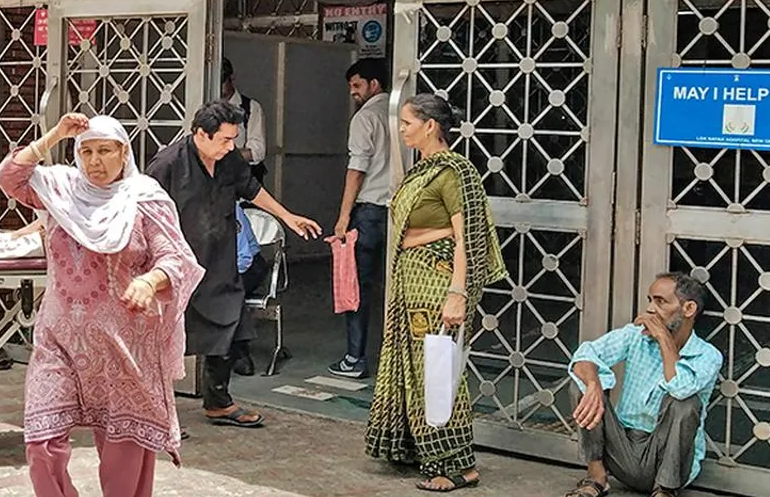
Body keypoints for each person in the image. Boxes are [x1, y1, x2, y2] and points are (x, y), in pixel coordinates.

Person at [0, 113, 205, 497]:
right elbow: (9, 177)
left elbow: (175, 259)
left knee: (123, 460)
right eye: (86, 151)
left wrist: (148, 280)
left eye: (105, 151)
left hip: (123, 348)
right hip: (60, 342)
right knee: (41, 445)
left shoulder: (144, 198)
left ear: (123, 151)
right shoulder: (61, 192)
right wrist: (55, 135)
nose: (95, 161)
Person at [147, 100, 321, 428]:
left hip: (220, 257)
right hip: (176, 263)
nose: (231, 147)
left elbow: (253, 190)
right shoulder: (169, 163)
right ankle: (157, 411)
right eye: (225, 140)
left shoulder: (229, 162)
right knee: (166, 334)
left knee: (229, 322)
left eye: (234, 139)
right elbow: (143, 207)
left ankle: (218, 402)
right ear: (200, 134)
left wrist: (287, 216)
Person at [364, 93, 508, 492]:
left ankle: (458, 465)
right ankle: (421, 450)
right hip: (412, 281)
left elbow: (467, 236)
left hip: (438, 282)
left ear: (431, 125)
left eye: (408, 123)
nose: (403, 130)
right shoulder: (423, 169)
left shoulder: (454, 171)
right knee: (416, 370)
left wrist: (458, 294)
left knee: (438, 372)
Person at [565, 273, 723, 497]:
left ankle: (665, 491)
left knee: (685, 403)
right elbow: (585, 354)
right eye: (650, 300)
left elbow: (681, 388)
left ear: (688, 309)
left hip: (667, 459)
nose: (650, 309)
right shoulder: (635, 336)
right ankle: (597, 479)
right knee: (582, 382)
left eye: (660, 301)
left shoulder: (708, 355)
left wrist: (663, 338)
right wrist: (593, 384)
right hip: (623, 448)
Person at [330, 59, 392, 379]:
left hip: (368, 213)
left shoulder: (364, 118)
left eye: (357, 85)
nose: (353, 92)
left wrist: (343, 218)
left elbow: (356, 171)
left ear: (374, 85)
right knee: (395, 287)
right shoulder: (401, 117)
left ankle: (355, 358)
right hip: (397, 213)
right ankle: (397, 360)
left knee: (359, 287)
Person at [230, 202, 271, 376]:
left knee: (228, 290)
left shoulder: (229, 208)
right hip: (220, 264)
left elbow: (243, 258)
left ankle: (240, 352)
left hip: (250, 265)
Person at [220, 58, 268, 185]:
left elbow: (257, 151)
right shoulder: (203, 106)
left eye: (222, 80)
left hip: (239, 179)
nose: (219, 85)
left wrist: (226, 156)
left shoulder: (251, 107)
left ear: (231, 77)